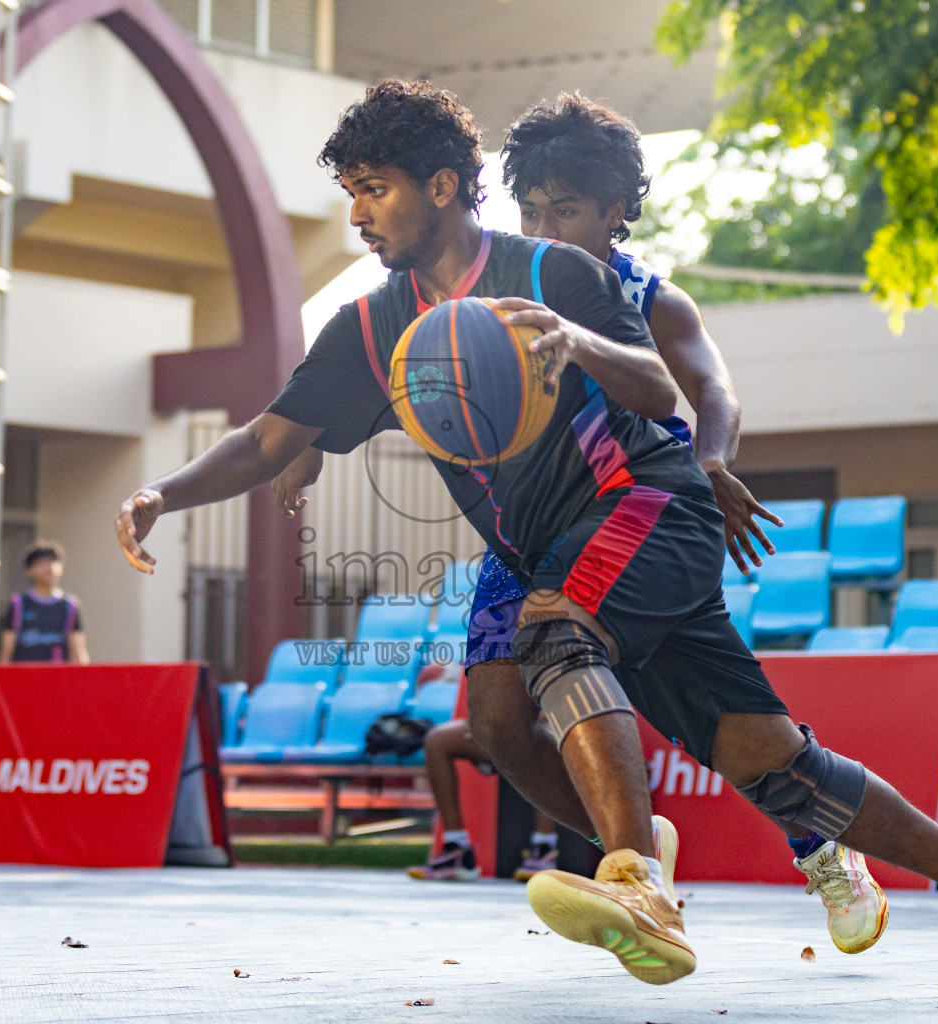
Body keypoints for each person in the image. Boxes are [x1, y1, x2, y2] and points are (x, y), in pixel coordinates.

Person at [114, 79, 938, 1001]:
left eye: (375, 189)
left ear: (442, 186)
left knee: (556, 629)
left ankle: (637, 879)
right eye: (351, 193)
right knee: (765, 762)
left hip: (646, 502)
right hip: (552, 546)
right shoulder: (368, 329)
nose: (358, 214)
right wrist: (165, 491)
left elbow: (663, 391)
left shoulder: (552, 272)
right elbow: (267, 439)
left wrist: (577, 342)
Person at [279, 91, 880, 954]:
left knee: (715, 720)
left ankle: (816, 846)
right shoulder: (494, 280)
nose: (544, 226)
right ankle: (634, 860)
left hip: (635, 506)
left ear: (614, 212)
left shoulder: (647, 296)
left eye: (564, 210)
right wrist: (311, 441)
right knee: (494, 722)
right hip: (529, 531)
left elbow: (711, 388)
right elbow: (409, 374)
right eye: (530, 209)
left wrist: (714, 463)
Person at [407, 716, 563, 882]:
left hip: (540, 726)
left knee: (545, 733)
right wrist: (482, 724)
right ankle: (456, 848)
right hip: (500, 730)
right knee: (437, 739)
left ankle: (544, 848)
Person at [0, 541, 90, 664]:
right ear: (30, 570)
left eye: (53, 562)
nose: (49, 568)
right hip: (25, 675)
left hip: (58, 675)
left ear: (62, 567)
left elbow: (78, 653)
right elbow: (6, 654)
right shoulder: (18, 604)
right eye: (41, 563)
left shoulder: (70, 605)